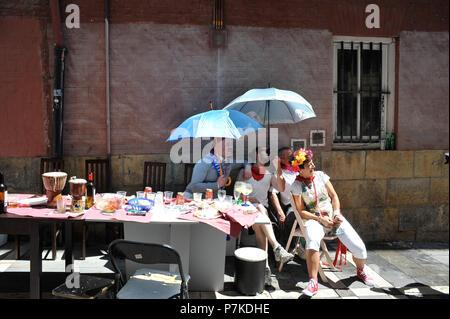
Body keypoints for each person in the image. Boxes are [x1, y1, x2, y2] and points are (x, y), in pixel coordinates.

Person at [290, 148, 375, 297]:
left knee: (359, 248)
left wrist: (336, 213)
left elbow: (334, 196)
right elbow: (301, 211)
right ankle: (313, 282)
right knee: (312, 242)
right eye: (309, 164)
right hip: (314, 220)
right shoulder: (296, 185)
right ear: (300, 168)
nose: (313, 166)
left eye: (312, 163)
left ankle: (361, 270)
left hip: (333, 219)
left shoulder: (321, 176)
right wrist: (319, 218)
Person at [237, 147, 294, 286]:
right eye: (264, 152)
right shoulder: (245, 172)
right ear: (256, 155)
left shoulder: (269, 174)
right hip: (246, 208)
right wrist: (251, 200)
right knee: (260, 209)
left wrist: (279, 169)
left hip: (261, 214)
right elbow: (237, 196)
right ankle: (276, 248)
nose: (267, 155)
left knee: (260, 219)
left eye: (268, 153)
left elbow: (280, 188)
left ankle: (266, 269)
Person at [184, 138, 251, 200]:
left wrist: (248, 167)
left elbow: (244, 161)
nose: (231, 147)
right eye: (228, 144)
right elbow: (194, 187)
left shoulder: (227, 162)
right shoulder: (205, 162)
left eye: (231, 144)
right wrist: (217, 185)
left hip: (212, 201)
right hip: (192, 199)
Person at [268, 147, 299, 246]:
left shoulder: (298, 169)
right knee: (291, 216)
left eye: (293, 156)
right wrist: (280, 212)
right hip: (290, 204)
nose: (292, 159)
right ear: (281, 159)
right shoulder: (279, 173)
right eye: (290, 157)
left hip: (303, 202)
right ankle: (287, 246)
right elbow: (273, 193)